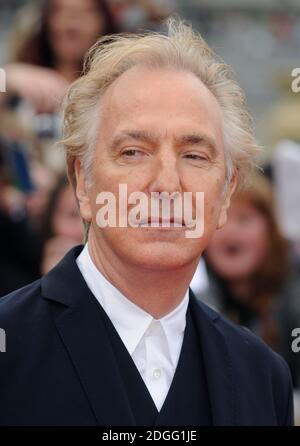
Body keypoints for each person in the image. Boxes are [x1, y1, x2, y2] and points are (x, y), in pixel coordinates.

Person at [0, 19, 294, 426]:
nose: (166, 185)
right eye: (134, 152)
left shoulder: (262, 376)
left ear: (225, 193)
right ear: (82, 181)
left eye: (194, 156)